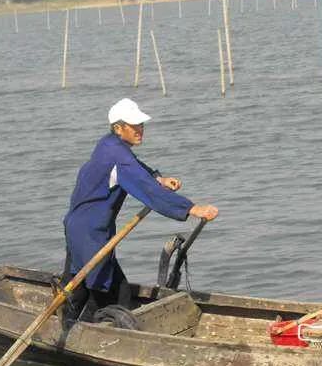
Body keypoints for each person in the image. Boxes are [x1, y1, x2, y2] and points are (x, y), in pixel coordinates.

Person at [61, 98, 218, 326]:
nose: (140, 130)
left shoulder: (108, 145)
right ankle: (79, 332)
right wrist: (192, 208)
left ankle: (67, 324)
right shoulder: (117, 155)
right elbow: (148, 192)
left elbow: (136, 168)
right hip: (89, 233)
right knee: (115, 293)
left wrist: (158, 178)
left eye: (141, 125)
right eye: (134, 126)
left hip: (79, 226)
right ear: (118, 128)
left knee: (80, 284)